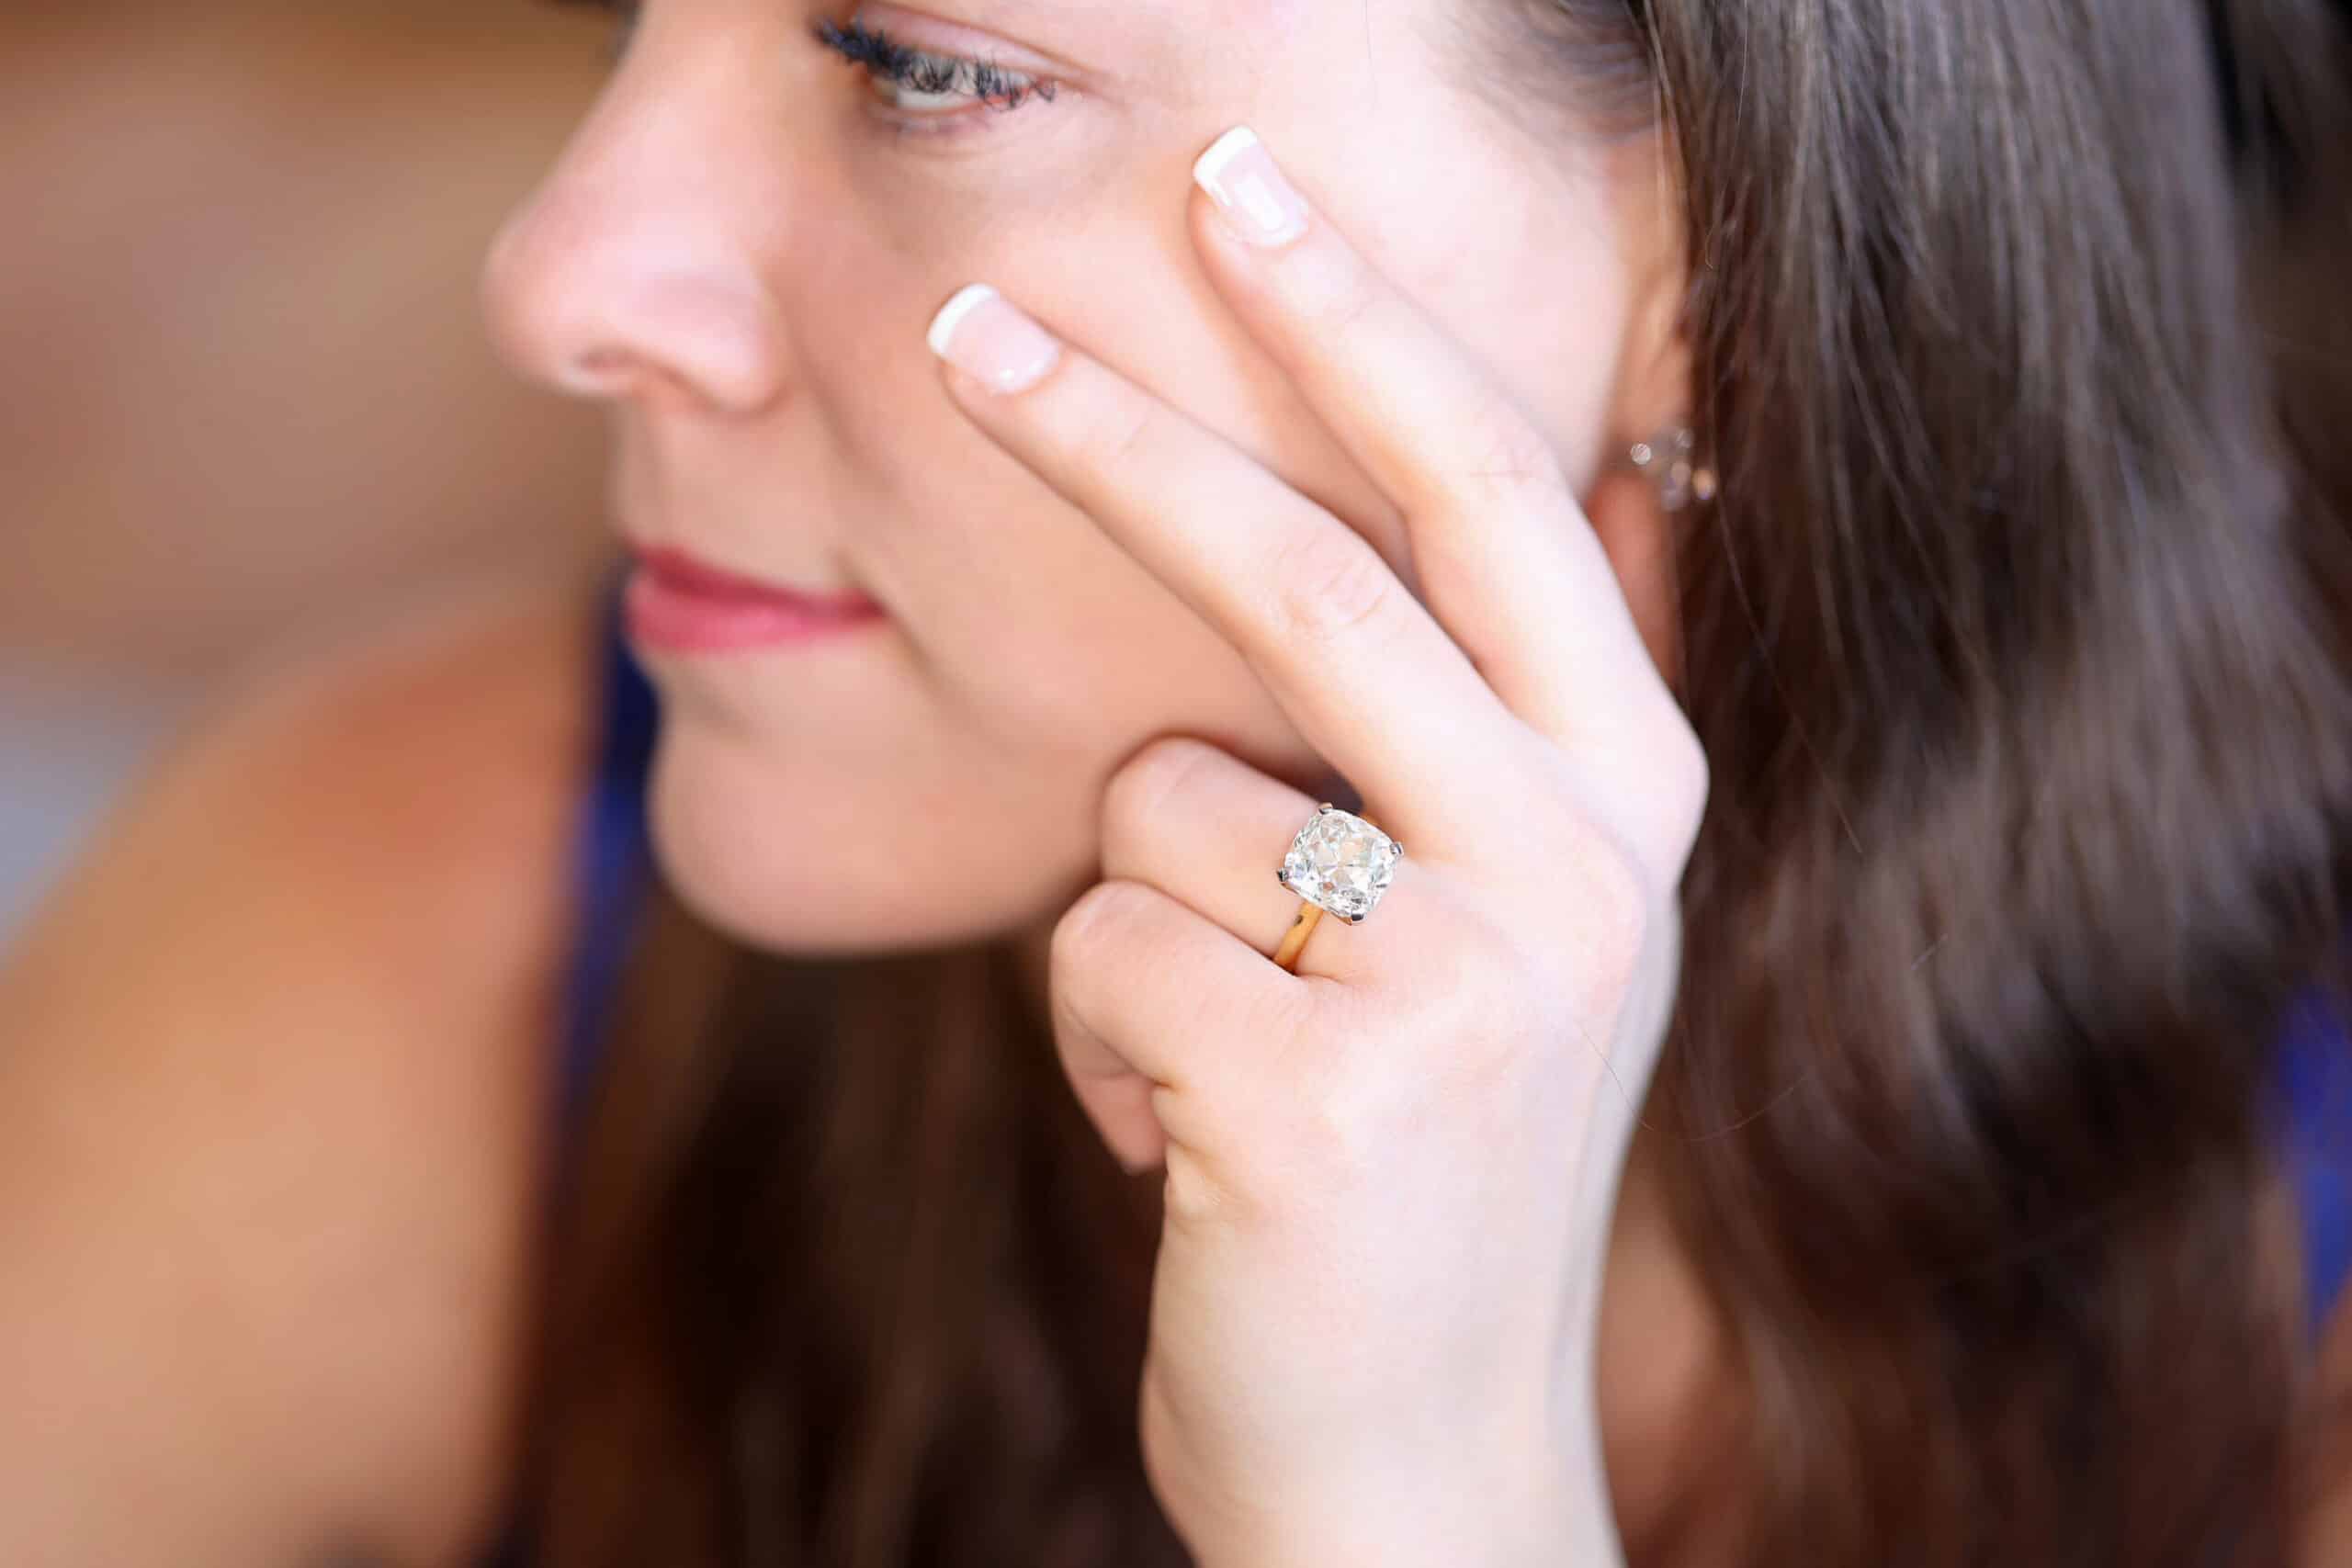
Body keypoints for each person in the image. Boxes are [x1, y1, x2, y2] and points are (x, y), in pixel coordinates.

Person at [2, 1, 2348, 1564]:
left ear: (1722, 262)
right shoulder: (419, 925)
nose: (563, 274)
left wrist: (1413, 1502)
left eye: (922, 67)